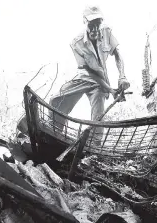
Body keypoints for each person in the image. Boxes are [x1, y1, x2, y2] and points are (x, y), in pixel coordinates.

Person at [49, 5, 130, 144]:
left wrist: (122, 76)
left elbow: (118, 55)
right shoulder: (76, 43)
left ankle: (94, 146)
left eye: (97, 24)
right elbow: (88, 71)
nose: (95, 29)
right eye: (91, 25)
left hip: (101, 81)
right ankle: (53, 135)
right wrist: (110, 89)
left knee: (98, 115)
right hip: (85, 77)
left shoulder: (107, 32)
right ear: (84, 22)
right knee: (55, 100)